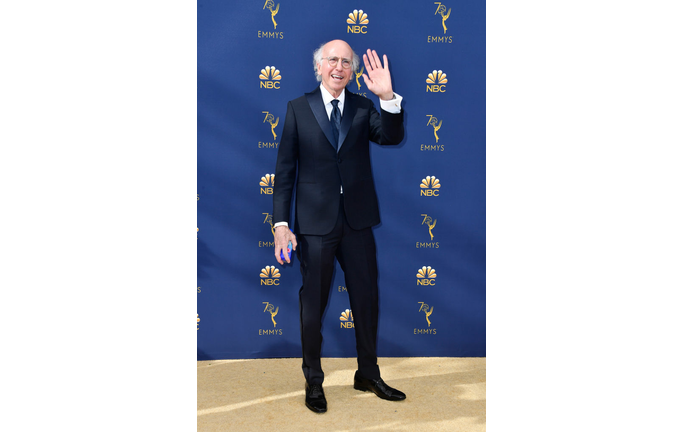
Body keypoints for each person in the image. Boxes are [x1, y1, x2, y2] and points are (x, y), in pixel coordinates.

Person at [272, 39, 406, 414]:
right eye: (332, 59)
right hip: (315, 226)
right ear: (318, 67)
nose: (339, 66)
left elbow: (391, 136)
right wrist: (281, 224)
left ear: (353, 71)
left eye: (347, 62)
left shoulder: (364, 106)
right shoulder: (297, 109)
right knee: (312, 306)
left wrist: (389, 97)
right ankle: (314, 381)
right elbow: (284, 173)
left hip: (358, 222)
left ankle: (367, 374)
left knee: (366, 300)